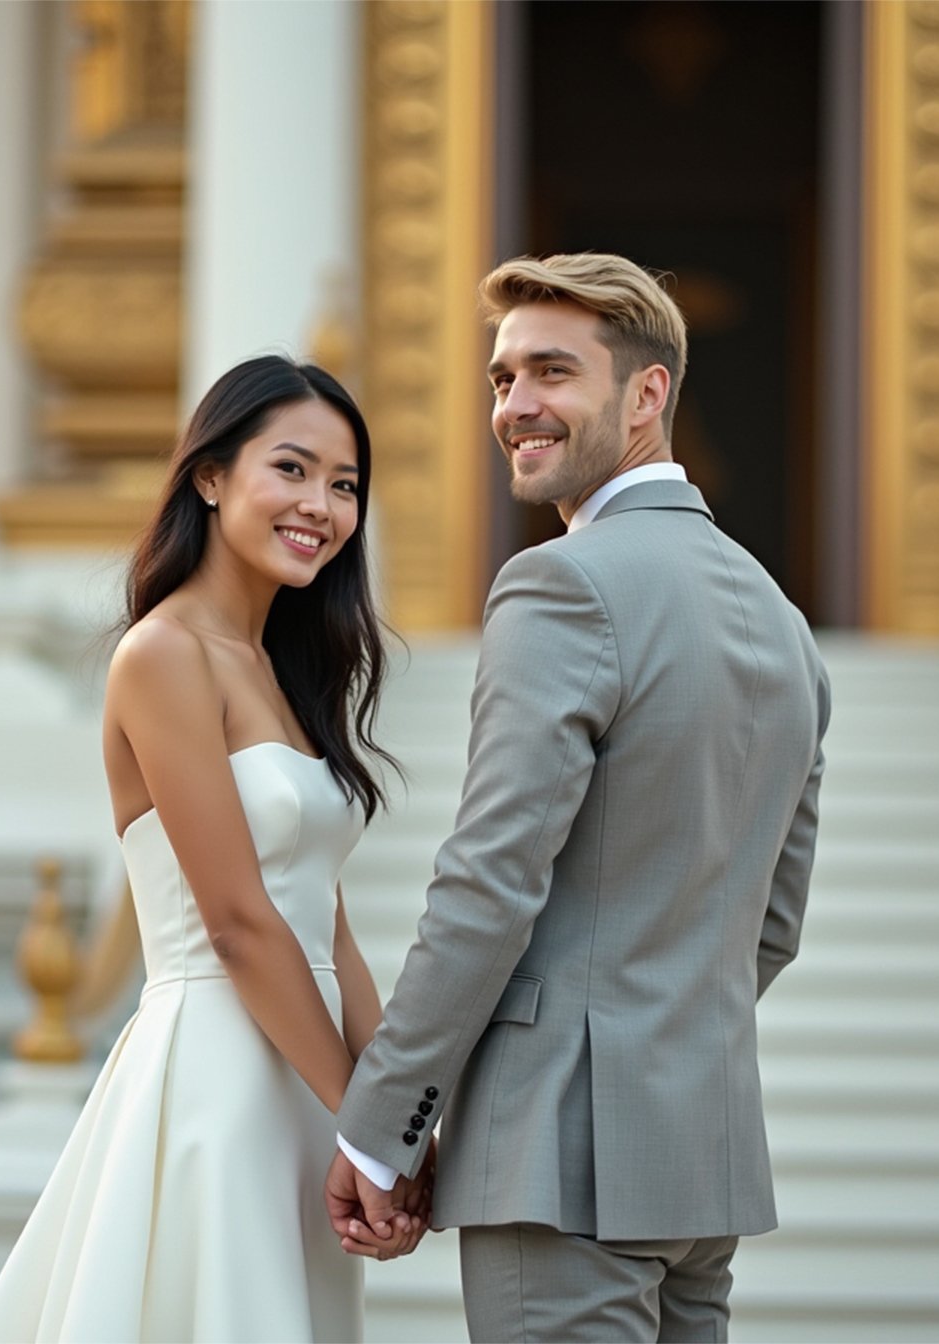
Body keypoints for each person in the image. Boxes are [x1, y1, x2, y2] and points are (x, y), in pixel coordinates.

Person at [328, 253, 831, 1342]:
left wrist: (382, 1128)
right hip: (700, 1158)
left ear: (647, 397)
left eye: (552, 373)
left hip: (561, 1163)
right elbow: (772, 925)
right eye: (503, 379)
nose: (515, 407)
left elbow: (488, 885)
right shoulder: (782, 623)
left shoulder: (561, 585)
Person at [0, 355, 425, 1344]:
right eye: (293, 470)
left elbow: (325, 926)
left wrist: (392, 1114)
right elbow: (238, 923)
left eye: (346, 485)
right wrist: (367, 1119)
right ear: (210, 477)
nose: (323, 506)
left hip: (304, 1090)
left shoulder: (285, 670)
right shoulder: (162, 654)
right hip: (218, 1077)